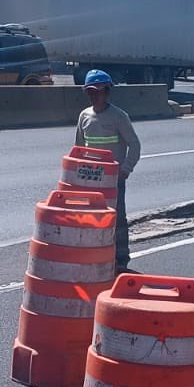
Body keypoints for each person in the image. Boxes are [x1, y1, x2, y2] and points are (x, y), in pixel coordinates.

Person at [75, 69, 141, 271]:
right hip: (91, 179)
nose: (95, 96)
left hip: (113, 180)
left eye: (98, 91)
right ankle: (95, 254)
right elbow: (78, 148)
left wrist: (126, 169)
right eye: (90, 92)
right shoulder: (84, 116)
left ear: (107, 91)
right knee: (92, 218)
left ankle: (120, 259)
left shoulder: (118, 117)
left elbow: (134, 145)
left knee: (117, 218)